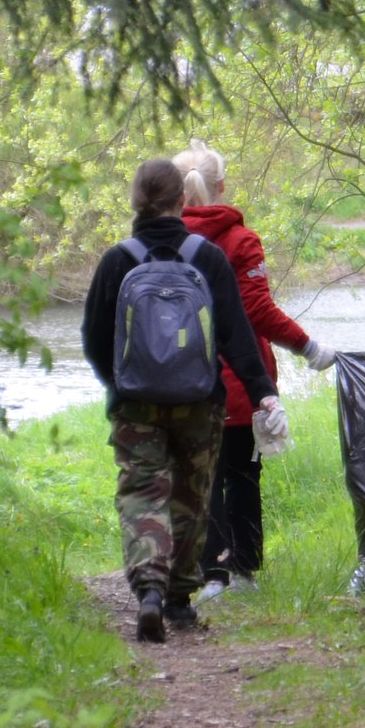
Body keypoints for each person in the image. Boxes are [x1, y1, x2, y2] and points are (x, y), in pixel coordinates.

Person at [82, 158, 285, 644]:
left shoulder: (118, 259)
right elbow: (236, 333)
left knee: (143, 491)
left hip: (135, 402)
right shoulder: (206, 257)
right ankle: (178, 598)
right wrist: (263, 393)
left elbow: (92, 337)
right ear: (181, 200)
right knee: (192, 496)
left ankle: (149, 589)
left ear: (135, 200)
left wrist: (119, 383)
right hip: (200, 399)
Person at [174, 139, 338, 602]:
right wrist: (309, 347)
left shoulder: (160, 241)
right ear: (222, 186)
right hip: (242, 384)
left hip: (181, 381)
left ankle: (211, 576)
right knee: (242, 478)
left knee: (200, 478)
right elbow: (257, 312)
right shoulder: (241, 241)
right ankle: (244, 572)